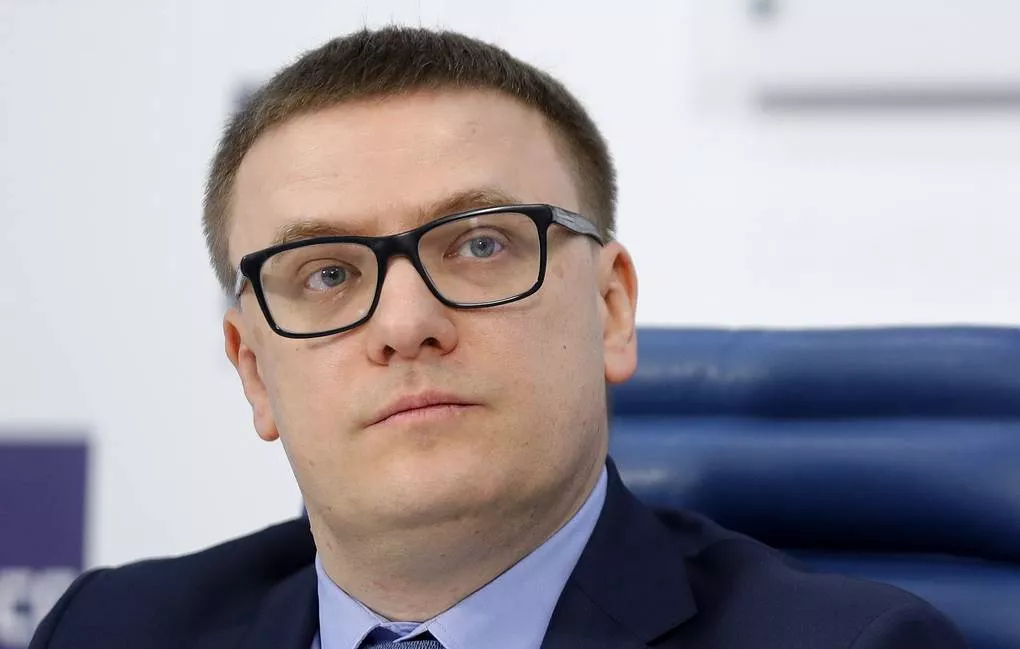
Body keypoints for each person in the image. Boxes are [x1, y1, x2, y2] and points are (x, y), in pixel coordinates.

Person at [30, 26, 967, 649]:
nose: (406, 324)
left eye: (480, 245)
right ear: (253, 371)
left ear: (611, 308)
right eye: (327, 273)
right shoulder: (111, 630)